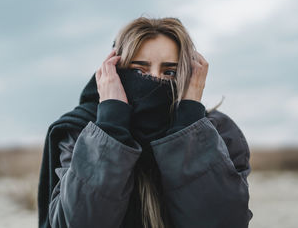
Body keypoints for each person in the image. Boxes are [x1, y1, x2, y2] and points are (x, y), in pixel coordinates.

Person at [38, 17, 253, 228]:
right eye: (139, 70)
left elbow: (224, 221)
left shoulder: (218, 133)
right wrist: (111, 126)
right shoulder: (82, 131)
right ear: (115, 72)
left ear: (187, 76)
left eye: (169, 72)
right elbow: (77, 222)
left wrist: (190, 126)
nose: (154, 79)